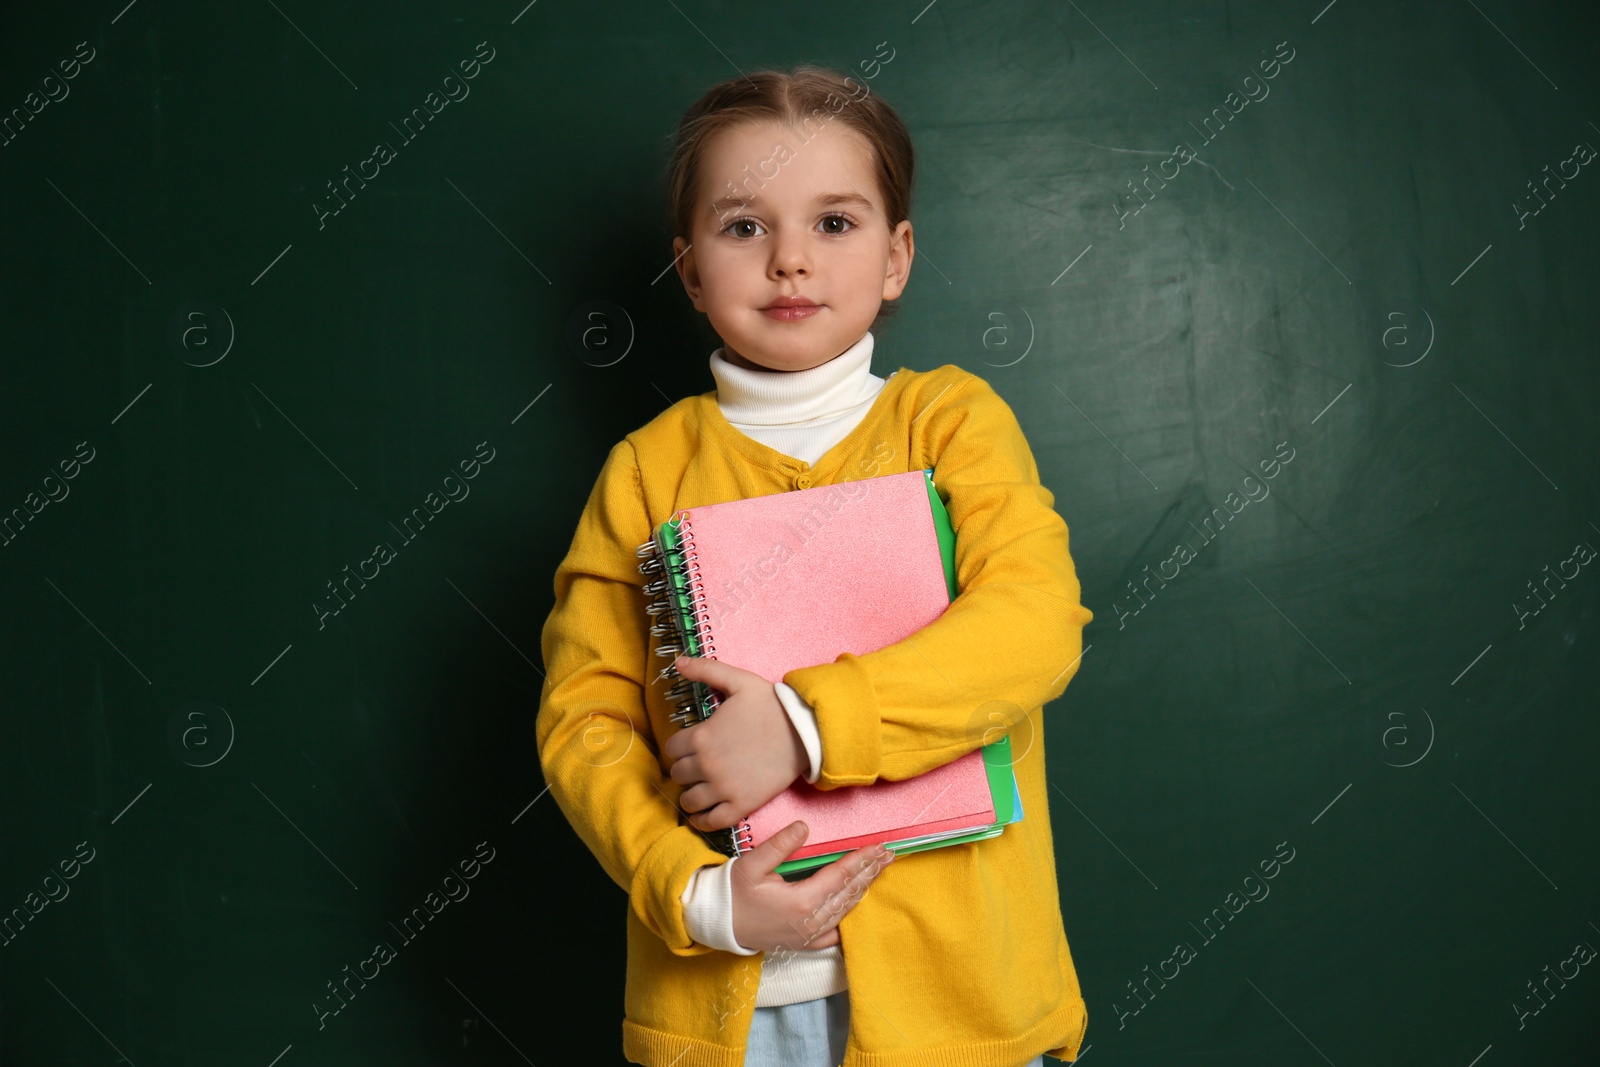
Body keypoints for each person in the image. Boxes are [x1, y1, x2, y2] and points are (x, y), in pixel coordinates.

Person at [535, 64, 1093, 1067]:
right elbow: (586, 719)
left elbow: (1035, 620)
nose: (789, 259)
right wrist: (695, 892)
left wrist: (802, 729)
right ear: (691, 270)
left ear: (896, 256)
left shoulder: (950, 422)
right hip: (733, 1006)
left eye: (834, 222)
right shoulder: (644, 471)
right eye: (743, 226)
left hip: (960, 1002)